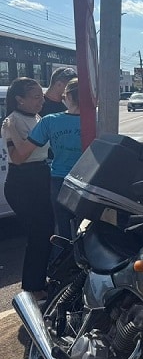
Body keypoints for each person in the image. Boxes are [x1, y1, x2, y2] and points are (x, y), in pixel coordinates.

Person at [1, 78, 54, 301]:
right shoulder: (12, 122)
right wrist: (12, 132)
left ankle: (39, 281)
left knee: (47, 232)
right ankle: (32, 287)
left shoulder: (37, 118)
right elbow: (18, 158)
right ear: (19, 99)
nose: (40, 101)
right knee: (38, 233)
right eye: (35, 97)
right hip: (22, 182)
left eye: (41, 96)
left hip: (40, 176)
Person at [15, 78, 82, 239]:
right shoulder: (99, 121)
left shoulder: (50, 121)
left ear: (68, 97)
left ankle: (63, 261)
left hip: (60, 180)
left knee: (63, 230)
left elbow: (22, 153)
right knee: (88, 228)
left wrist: (11, 135)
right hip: (88, 180)